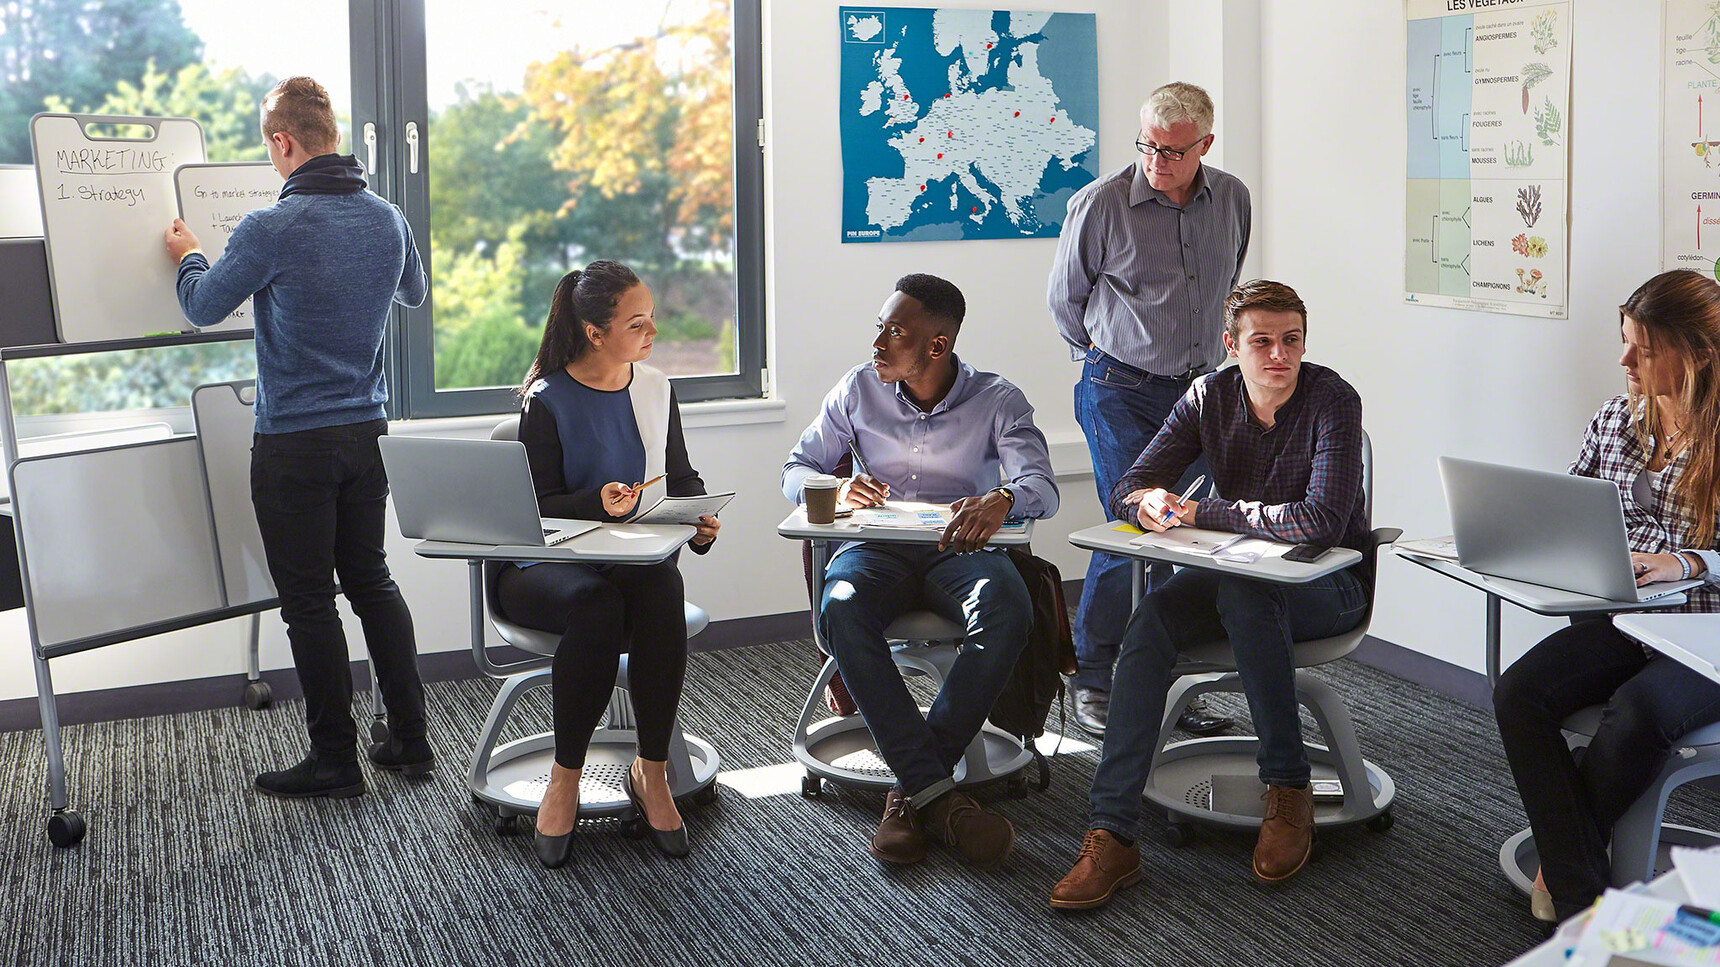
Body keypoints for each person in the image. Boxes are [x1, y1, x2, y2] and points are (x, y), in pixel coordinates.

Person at [1050, 280, 1370, 908]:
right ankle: (1111, 833)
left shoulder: (1332, 399)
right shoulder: (1209, 395)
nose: (1279, 355)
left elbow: (1320, 522)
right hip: (1235, 574)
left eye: (1291, 341)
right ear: (1231, 345)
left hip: (1327, 585)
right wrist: (1149, 502)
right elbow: (1132, 484)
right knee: (1148, 625)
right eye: (1261, 342)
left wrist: (1207, 513)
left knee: (1249, 599)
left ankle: (1288, 788)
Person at [165, 76, 432, 799]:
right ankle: (410, 738)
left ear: (283, 142)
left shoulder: (271, 228)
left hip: (294, 445)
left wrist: (189, 250)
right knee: (371, 580)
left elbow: (200, 304)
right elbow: (413, 293)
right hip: (367, 431)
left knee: (310, 601)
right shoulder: (387, 217)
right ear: (332, 136)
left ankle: (336, 760)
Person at [782, 273, 1059, 870]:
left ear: (937, 345)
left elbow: (1041, 485)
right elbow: (796, 468)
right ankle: (936, 796)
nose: (877, 342)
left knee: (1008, 607)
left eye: (894, 332)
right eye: (879, 328)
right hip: (875, 548)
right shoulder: (857, 390)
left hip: (961, 549)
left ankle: (910, 792)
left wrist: (1004, 499)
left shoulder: (998, 400)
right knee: (842, 607)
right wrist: (834, 485)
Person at [1494, 269, 1720, 922]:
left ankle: (1572, 895)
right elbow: (1571, 504)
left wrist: (1685, 560)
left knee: (1638, 712)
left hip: (1705, 633)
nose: (1623, 359)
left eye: (1642, 349)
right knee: (1519, 692)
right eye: (1624, 341)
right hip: (1631, 618)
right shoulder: (1617, 420)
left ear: (1699, 352)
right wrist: (1522, 532)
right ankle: (1584, 877)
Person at [498, 260, 721, 868]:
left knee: (658, 588)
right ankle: (564, 778)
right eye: (638, 324)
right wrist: (593, 501)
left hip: (625, 558)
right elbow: (535, 505)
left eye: (653, 321)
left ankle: (651, 772)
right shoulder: (545, 399)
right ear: (595, 332)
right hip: (542, 566)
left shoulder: (656, 388)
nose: (653, 335)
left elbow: (679, 476)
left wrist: (697, 519)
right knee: (596, 607)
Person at [1048, 81, 1252, 739]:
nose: (1156, 162)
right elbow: (1065, 303)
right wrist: (1112, 357)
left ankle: (1166, 680)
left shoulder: (1234, 199)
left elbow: (1228, 284)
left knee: (1188, 534)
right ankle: (1096, 676)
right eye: (1147, 146)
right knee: (1134, 524)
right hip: (1120, 390)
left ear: (1205, 146)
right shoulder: (1100, 204)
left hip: (1200, 394)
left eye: (1172, 151)